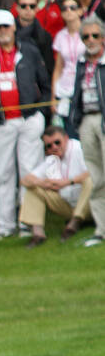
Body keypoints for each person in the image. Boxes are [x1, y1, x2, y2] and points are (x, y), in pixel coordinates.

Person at [0, 9, 53, 239]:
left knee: (29, 172)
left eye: (6, 26)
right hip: (1, 124)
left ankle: (29, 224)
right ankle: (5, 227)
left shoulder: (29, 51)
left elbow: (45, 86)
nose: (3, 31)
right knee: (3, 175)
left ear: (13, 27)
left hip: (29, 120)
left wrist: (41, 115)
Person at [20, 123, 91, 242]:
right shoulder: (52, 159)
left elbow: (95, 171)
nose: (54, 147)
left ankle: (74, 223)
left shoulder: (79, 148)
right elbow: (25, 180)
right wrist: (43, 183)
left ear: (66, 139)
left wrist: (68, 182)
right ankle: (38, 234)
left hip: (91, 205)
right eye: (49, 146)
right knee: (33, 188)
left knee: (90, 180)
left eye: (57, 142)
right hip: (68, 204)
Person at [68, 16, 105, 244]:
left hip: (103, 120)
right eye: (86, 36)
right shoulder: (82, 63)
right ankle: (101, 229)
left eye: (95, 35)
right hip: (86, 121)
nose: (90, 40)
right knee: (96, 177)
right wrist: (76, 119)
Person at [53, 0, 88, 127]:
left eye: (72, 7)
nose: (68, 11)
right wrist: (53, 97)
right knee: (70, 128)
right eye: (64, 8)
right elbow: (58, 68)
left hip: (85, 86)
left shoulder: (90, 33)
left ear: (80, 10)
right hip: (65, 88)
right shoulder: (60, 36)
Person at [17, 0, 57, 73]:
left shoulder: (45, 37)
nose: (28, 9)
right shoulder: (9, 31)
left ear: (36, 8)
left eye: (32, 6)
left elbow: (48, 68)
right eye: (23, 6)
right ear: (17, 8)